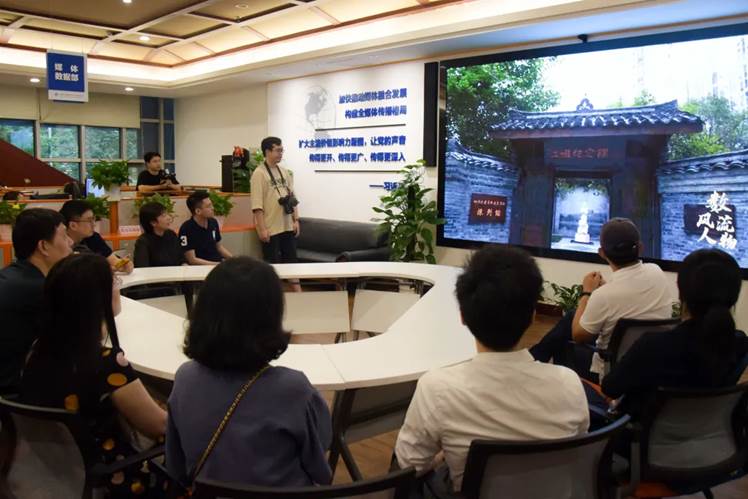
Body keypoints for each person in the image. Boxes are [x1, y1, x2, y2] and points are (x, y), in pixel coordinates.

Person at [395, 245, 589, 495]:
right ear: (532, 316)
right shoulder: (569, 383)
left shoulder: (437, 388)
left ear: (462, 316)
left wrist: (443, 455)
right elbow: (577, 446)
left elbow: (409, 464)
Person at [166, 257, 332, 487]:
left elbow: (176, 466)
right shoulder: (293, 390)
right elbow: (320, 468)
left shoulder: (185, 378)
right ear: (271, 317)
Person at [21, 254, 167, 498]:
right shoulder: (107, 362)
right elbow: (159, 426)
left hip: (56, 472)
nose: (117, 288)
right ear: (96, 300)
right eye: (114, 282)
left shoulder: (37, 349)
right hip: (111, 476)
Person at [602, 248, 748, 416]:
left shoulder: (653, 347)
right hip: (711, 430)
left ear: (681, 291)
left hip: (639, 430)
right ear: (734, 295)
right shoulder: (739, 343)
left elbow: (610, 388)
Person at [530, 218, 673, 382]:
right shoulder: (656, 271)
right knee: (571, 317)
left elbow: (578, 335)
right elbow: (631, 292)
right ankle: (534, 358)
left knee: (564, 338)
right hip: (650, 365)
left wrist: (587, 293)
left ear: (601, 253)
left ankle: (540, 367)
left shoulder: (604, 296)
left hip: (612, 372)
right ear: (640, 247)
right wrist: (605, 287)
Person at [0, 208, 72, 393]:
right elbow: (90, 332)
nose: (71, 242)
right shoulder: (40, 289)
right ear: (43, 246)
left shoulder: (11, 274)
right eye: (64, 236)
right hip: (18, 391)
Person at [251, 136, 300, 264]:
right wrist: (262, 229)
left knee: (292, 263)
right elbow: (257, 205)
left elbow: (292, 198)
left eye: (282, 150)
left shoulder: (284, 172)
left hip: (287, 226)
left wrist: (296, 220)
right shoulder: (259, 173)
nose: (281, 153)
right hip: (270, 228)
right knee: (273, 264)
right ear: (267, 151)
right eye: (278, 150)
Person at [60, 199, 134, 274]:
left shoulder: (93, 237)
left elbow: (114, 261)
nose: (94, 224)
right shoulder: (60, 244)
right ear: (73, 225)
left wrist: (123, 264)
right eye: (89, 221)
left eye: (94, 219)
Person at [178, 191, 232, 265]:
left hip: (217, 263)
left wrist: (234, 259)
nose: (213, 208)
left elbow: (219, 247)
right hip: (201, 267)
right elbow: (192, 260)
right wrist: (217, 264)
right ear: (198, 211)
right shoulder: (186, 228)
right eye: (208, 206)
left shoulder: (213, 222)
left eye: (212, 205)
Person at [134, 202, 184, 267]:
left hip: (176, 272)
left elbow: (181, 258)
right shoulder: (143, 242)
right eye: (163, 216)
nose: (168, 218)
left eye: (167, 214)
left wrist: (184, 265)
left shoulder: (171, 234)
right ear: (153, 223)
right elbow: (141, 267)